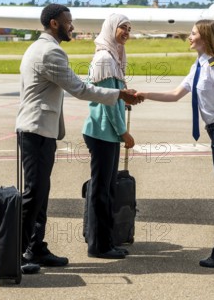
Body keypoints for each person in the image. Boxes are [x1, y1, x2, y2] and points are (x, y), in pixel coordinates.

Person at [15, 4, 142, 274]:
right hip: (36, 131)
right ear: (54, 24)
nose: (72, 26)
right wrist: (119, 95)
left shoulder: (39, 48)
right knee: (34, 194)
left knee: (40, 194)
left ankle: (36, 247)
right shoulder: (51, 52)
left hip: (41, 131)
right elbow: (80, 89)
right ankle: (15, 253)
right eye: (68, 22)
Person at [136, 19, 214, 269]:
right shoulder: (199, 65)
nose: (189, 37)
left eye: (193, 34)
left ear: (206, 38)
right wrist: (143, 94)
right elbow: (176, 94)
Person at [82, 14, 134, 259]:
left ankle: (105, 241)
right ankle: (99, 245)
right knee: (101, 192)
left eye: (129, 28)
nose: (126, 32)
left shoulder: (112, 56)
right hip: (103, 132)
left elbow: (114, 95)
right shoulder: (105, 58)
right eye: (123, 27)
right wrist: (124, 132)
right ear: (111, 28)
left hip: (107, 133)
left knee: (106, 190)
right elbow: (110, 104)